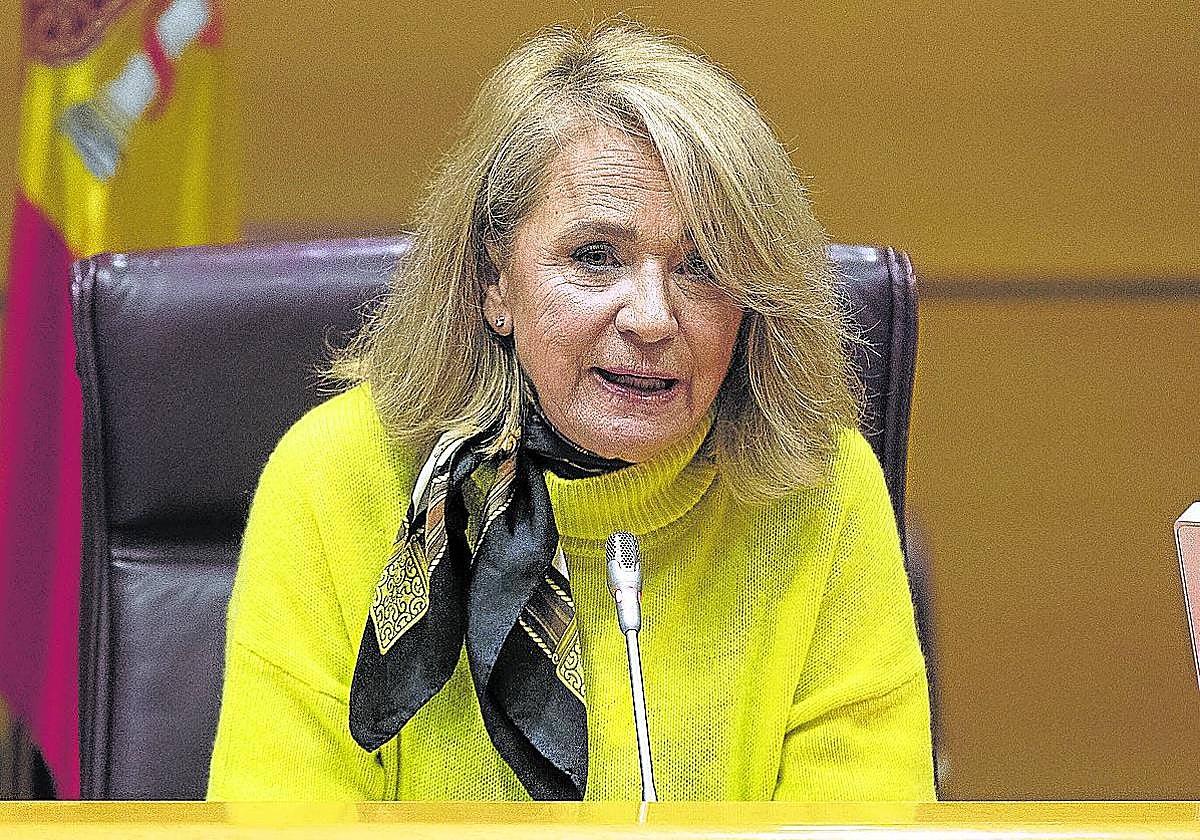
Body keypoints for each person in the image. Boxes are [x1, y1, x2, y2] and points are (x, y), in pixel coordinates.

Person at [206, 22, 934, 801]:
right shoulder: (337, 479)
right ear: (495, 282)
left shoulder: (817, 484)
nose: (652, 318)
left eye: (703, 267)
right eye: (596, 256)